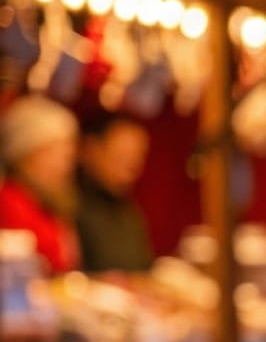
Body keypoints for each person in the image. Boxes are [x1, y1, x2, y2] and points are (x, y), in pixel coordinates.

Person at [0, 95, 80, 274]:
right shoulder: (9, 202)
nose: (64, 165)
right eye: (54, 153)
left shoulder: (50, 201)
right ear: (24, 155)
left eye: (67, 155)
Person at [74, 113, 154, 273]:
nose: (133, 164)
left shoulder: (126, 207)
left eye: (139, 155)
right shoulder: (69, 204)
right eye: (122, 154)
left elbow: (142, 265)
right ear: (91, 149)